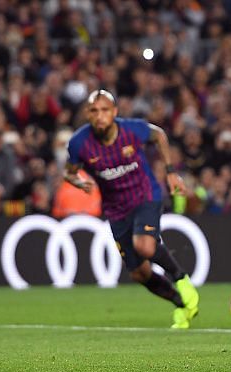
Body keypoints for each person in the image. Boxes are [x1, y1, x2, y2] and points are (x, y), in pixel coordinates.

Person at [64, 89, 199, 329]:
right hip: (116, 210)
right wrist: (79, 182)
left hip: (145, 195)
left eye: (105, 110)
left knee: (144, 245)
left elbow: (159, 135)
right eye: (94, 111)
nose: (100, 116)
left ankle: (182, 279)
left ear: (114, 112)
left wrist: (170, 172)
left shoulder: (132, 130)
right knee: (139, 273)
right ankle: (182, 305)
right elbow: (70, 172)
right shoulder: (79, 143)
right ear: (87, 114)